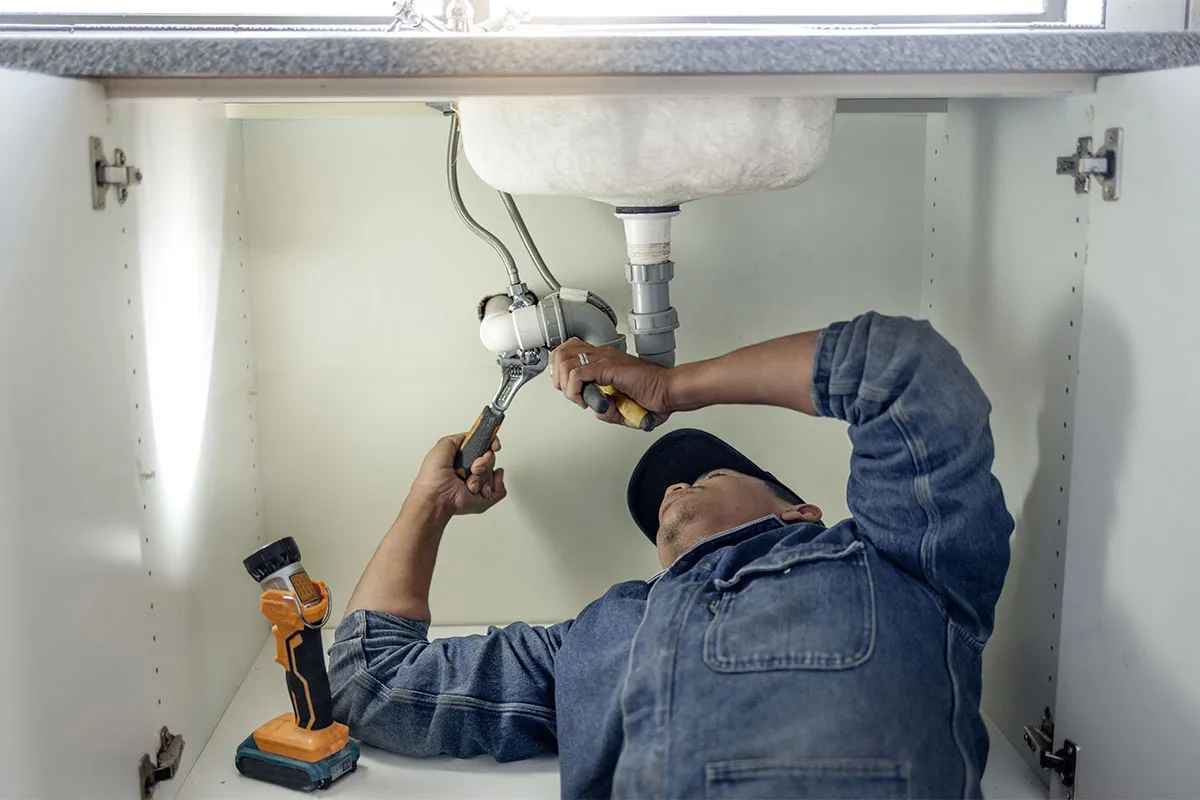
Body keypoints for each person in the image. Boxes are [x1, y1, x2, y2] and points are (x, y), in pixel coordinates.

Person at [328, 311, 1014, 799]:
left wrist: (674, 387)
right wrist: (430, 502)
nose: (675, 488)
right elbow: (373, 682)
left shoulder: (893, 563)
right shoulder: (599, 635)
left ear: (799, 511)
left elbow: (905, 370)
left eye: (705, 475)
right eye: (668, 498)